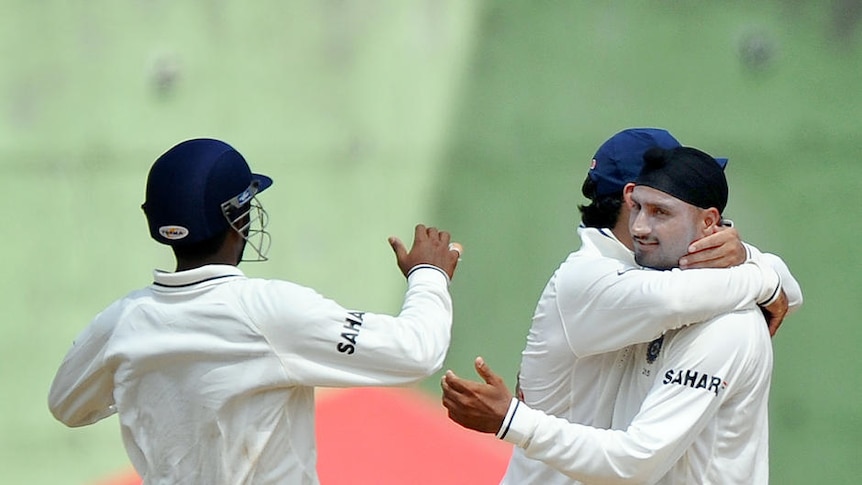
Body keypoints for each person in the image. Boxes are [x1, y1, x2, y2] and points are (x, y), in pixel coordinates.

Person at [48, 138, 462, 484]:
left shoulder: (125, 322)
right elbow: (416, 352)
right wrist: (428, 276)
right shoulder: (269, 312)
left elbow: (66, 405)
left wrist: (156, 377)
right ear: (238, 220)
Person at [442, 130, 803, 484]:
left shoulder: (668, 281)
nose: (646, 223)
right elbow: (673, 298)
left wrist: (749, 260)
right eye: (649, 206)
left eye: (663, 210)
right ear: (633, 195)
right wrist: (765, 280)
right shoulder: (596, 280)